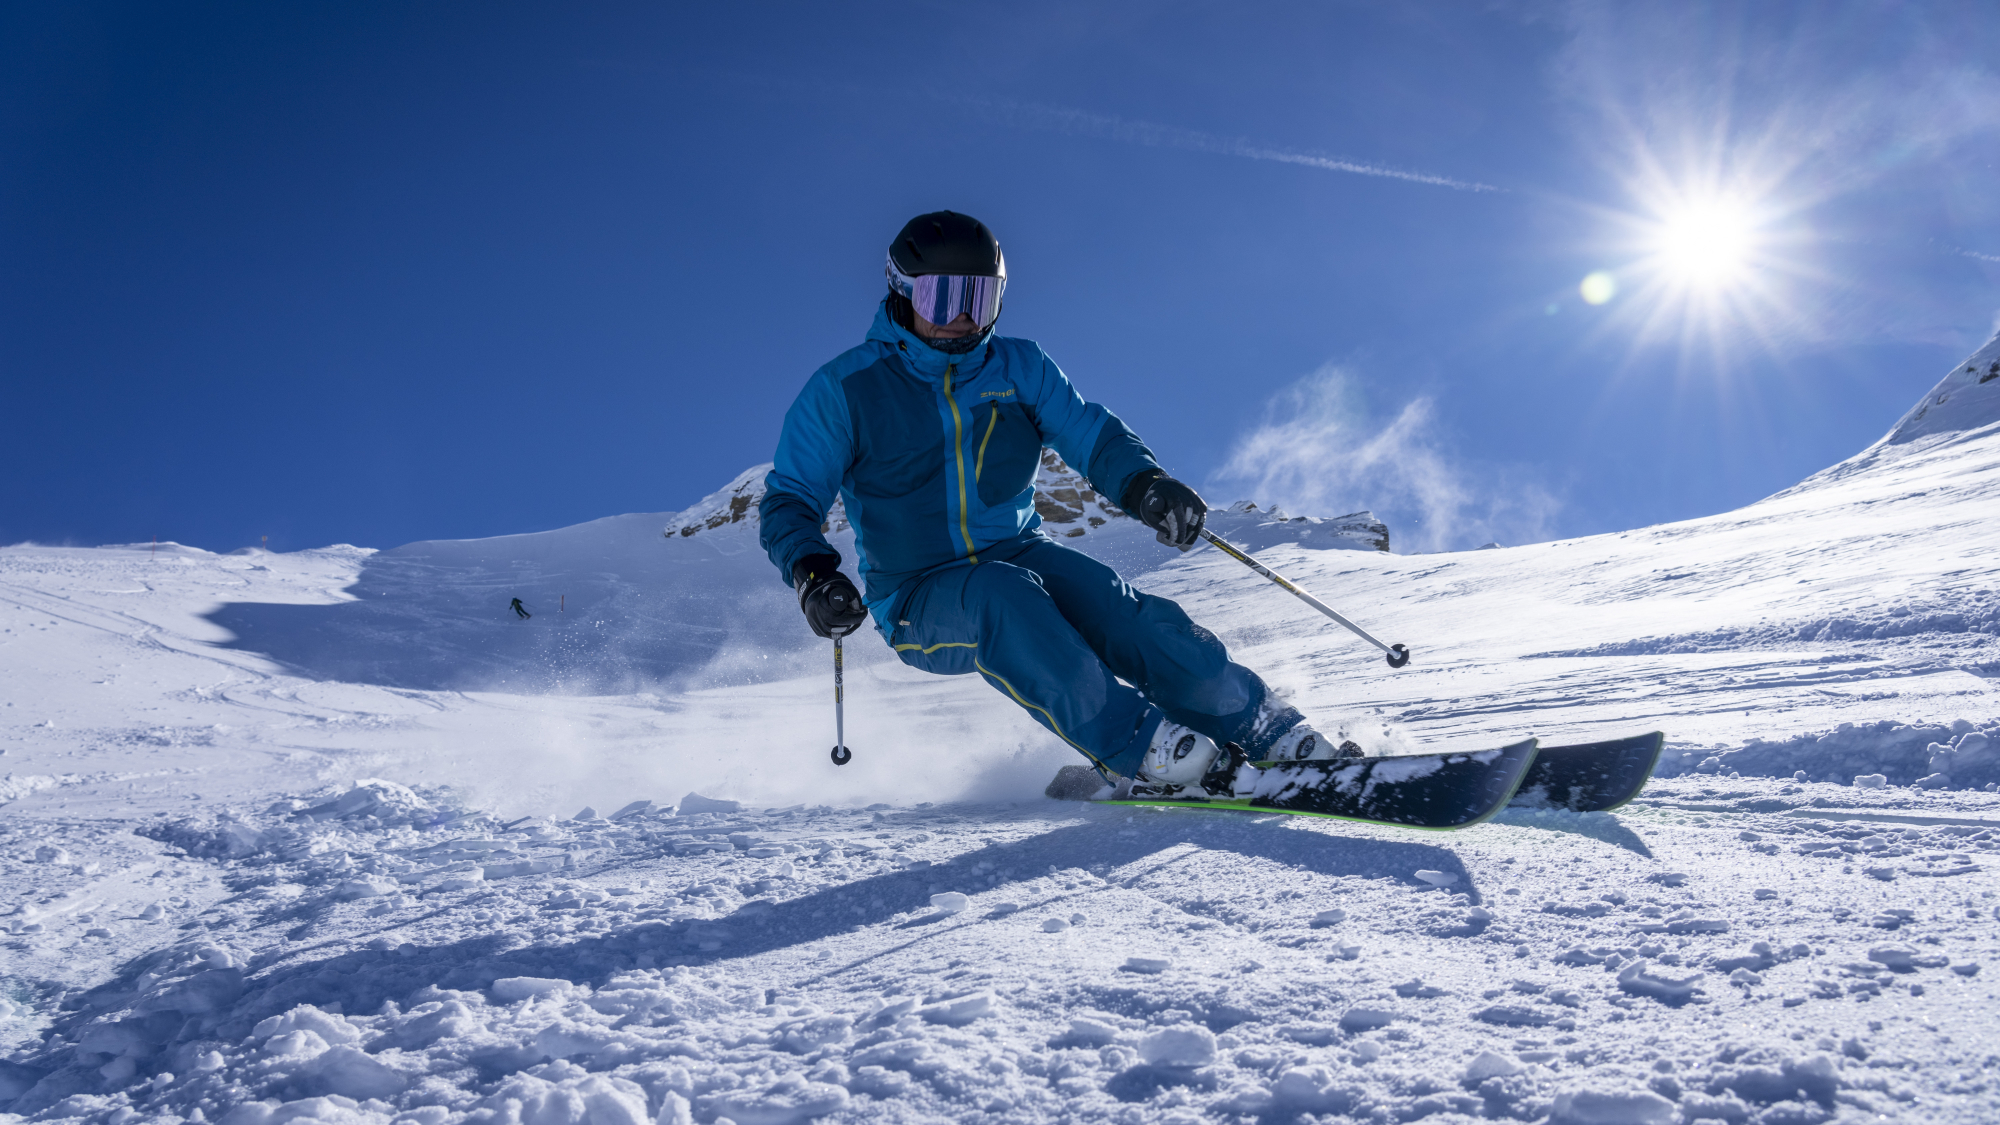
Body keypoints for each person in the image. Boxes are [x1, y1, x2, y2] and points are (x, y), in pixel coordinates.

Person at [759, 211, 1348, 794]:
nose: (963, 318)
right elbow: (790, 497)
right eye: (944, 299)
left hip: (1021, 550)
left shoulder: (1021, 368)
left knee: (1129, 618)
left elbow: (1089, 434)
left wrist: (1145, 483)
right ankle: (1139, 749)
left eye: (980, 299)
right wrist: (813, 574)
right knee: (1004, 601)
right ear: (902, 293)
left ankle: (1265, 727)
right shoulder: (846, 389)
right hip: (917, 592)